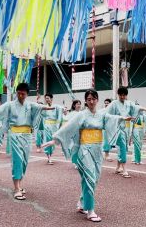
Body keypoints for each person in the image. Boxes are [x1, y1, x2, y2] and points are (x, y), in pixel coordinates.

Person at [41, 89, 131, 222]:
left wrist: (123, 118)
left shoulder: (102, 115)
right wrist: (56, 139)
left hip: (97, 150)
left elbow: (112, 119)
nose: (91, 101)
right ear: (86, 101)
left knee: (94, 178)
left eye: (93, 99)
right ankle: (90, 210)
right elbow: (68, 127)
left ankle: (82, 203)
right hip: (85, 150)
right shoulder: (81, 115)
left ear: (97, 100)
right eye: (88, 99)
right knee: (89, 178)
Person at [0, 83, 54, 200]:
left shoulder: (29, 105)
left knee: (24, 161)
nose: (21, 95)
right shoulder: (10, 105)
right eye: (19, 93)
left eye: (23, 93)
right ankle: (17, 188)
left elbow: (40, 107)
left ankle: (19, 184)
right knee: (17, 160)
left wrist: (51, 107)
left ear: (27, 94)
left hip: (27, 135)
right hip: (14, 135)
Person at [106, 87, 146, 178]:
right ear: (118, 95)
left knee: (123, 147)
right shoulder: (114, 103)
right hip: (117, 128)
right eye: (120, 95)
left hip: (126, 128)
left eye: (124, 95)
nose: (122, 97)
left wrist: (144, 109)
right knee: (122, 147)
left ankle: (118, 167)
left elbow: (136, 107)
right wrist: (120, 118)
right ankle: (124, 168)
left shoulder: (128, 103)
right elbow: (107, 115)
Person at [42, 93, 63, 164]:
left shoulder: (57, 107)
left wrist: (58, 126)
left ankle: (50, 156)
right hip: (47, 126)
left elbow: (59, 117)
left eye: (48, 98)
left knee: (52, 142)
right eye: (46, 98)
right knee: (47, 140)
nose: (47, 100)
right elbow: (42, 116)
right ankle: (49, 158)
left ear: (51, 98)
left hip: (54, 126)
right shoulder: (45, 107)